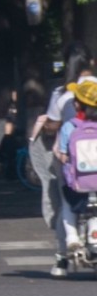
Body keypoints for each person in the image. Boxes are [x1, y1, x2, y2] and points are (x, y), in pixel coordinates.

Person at [35, 55, 97, 277]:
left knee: (66, 204)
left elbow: (58, 144)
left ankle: (63, 255)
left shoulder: (62, 96)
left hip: (77, 176)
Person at [54, 80, 97, 273]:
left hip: (78, 185)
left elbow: (63, 155)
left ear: (77, 104)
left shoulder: (69, 127)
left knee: (67, 203)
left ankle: (71, 238)